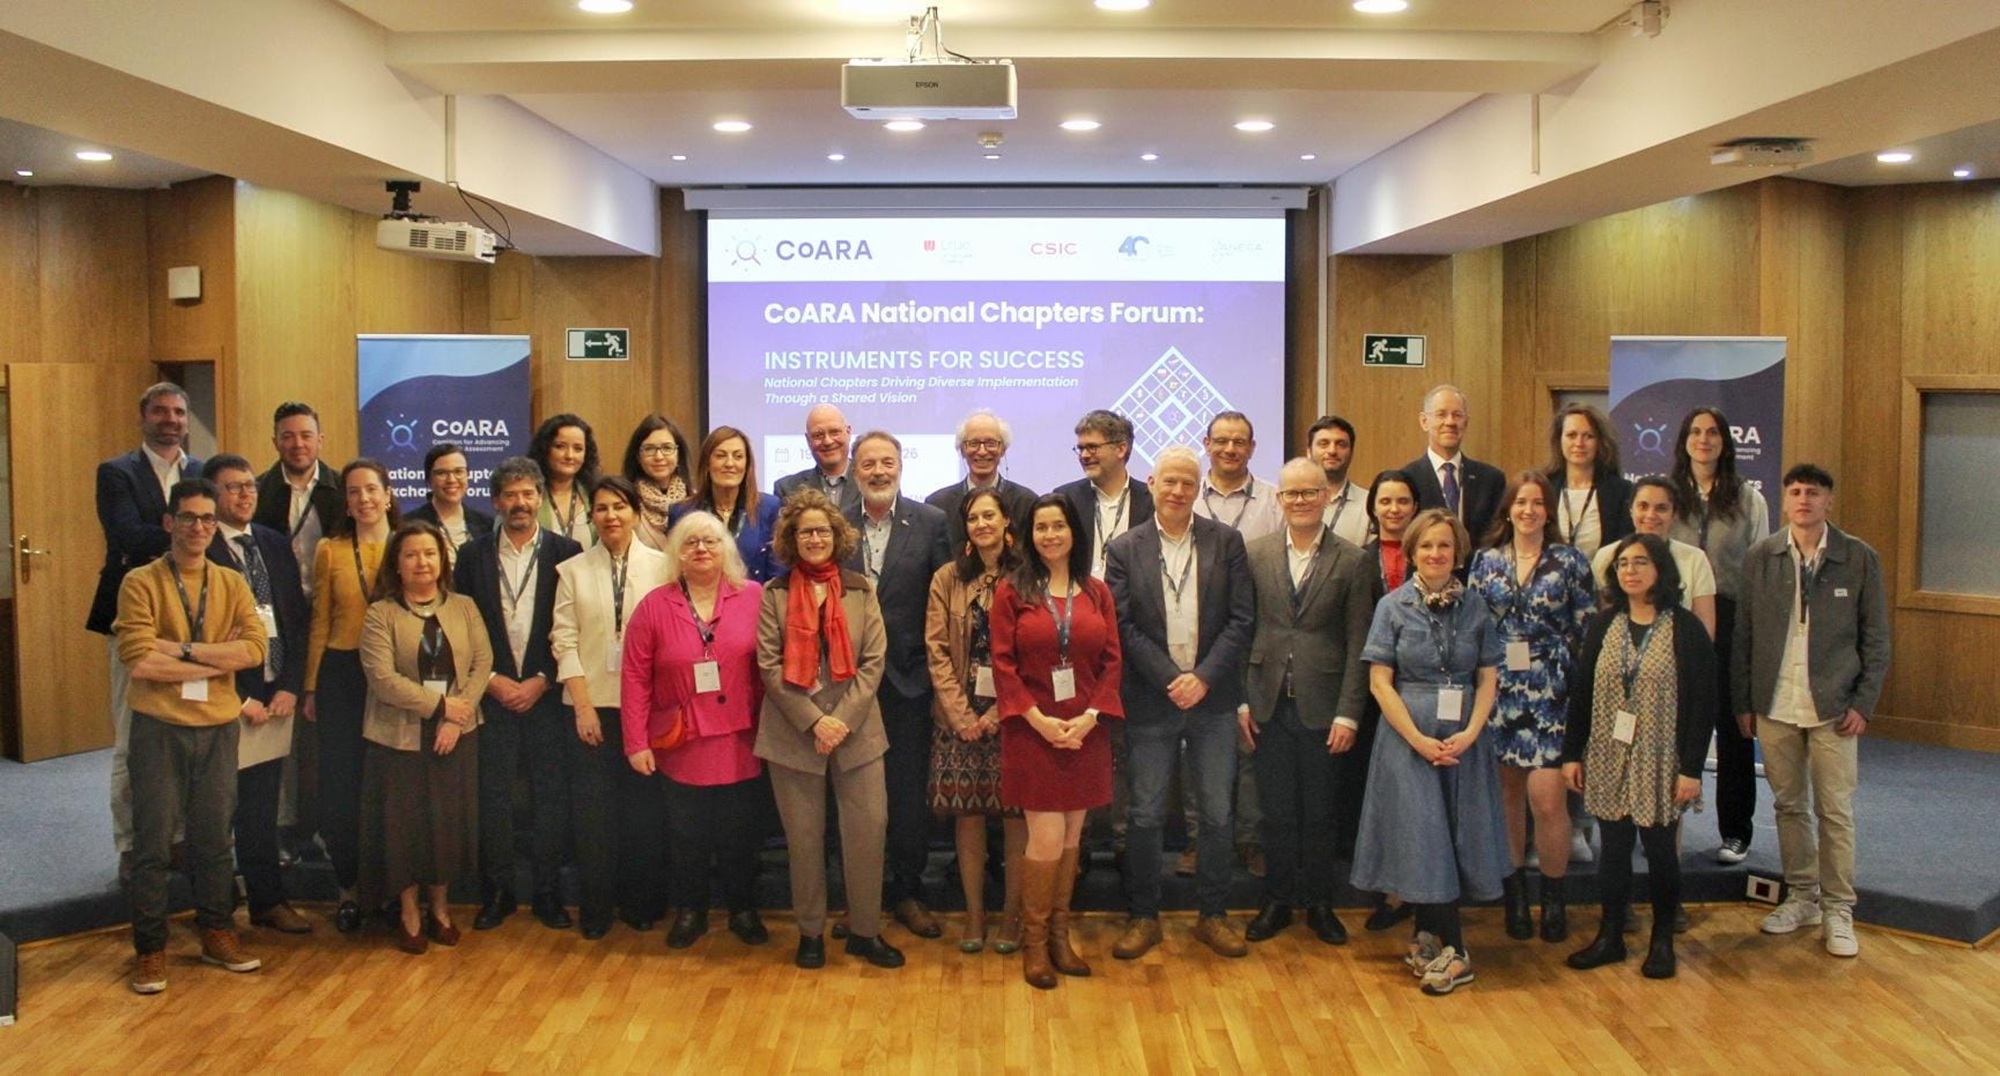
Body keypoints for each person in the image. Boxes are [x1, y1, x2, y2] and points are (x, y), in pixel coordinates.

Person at [114, 477, 268, 995]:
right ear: (169, 523)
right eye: (189, 518)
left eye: (207, 518)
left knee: (212, 840)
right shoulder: (140, 581)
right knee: (154, 842)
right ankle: (151, 948)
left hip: (218, 727)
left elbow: (253, 650)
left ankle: (217, 932)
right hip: (158, 728)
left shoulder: (230, 582)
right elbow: (138, 661)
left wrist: (178, 649)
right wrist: (208, 652)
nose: (199, 527)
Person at [1105, 446, 1257, 961]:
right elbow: (1121, 625)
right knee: (1145, 814)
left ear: (1198, 488)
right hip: (1152, 698)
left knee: (1217, 813)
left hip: (1212, 701)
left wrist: (1204, 679)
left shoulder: (1226, 542)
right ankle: (1143, 916)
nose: (1177, 491)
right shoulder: (1124, 548)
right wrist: (1173, 678)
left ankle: (1212, 915)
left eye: (1187, 483)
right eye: (1169, 481)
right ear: (1151, 483)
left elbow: (1241, 620)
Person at [1734, 464, 1889, 959]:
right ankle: (1802, 897)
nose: (1803, 499)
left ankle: (1840, 907)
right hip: (1775, 704)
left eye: (1813, 493)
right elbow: (1744, 637)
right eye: (1795, 492)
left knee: (1835, 811)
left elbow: (1876, 640)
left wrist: (1864, 702)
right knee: (1787, 805)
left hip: (1835, 708)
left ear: (1828, 502)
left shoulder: (1858, 558)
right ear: (1783, 501)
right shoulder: (1761, 556)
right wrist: (1744, 701)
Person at [1352, 508, 1508, 997]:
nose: (1436, 554)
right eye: (1426, 547)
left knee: (1454, 838)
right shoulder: (1392, 607)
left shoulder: (1477, 607)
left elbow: (1488, 676)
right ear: (1411, 553)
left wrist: (1471, 731)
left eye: (1444, 546)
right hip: (1408, 740)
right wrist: (1418, 739)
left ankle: (1438, 942)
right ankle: (1449, 946)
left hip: (1464, 740)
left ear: (1456, 551)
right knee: (1423, 838)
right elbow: (1380, 681)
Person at [753, 490, 901, 969]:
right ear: (791, 539)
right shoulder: (773, 595)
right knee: (804, 838)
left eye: (822, 530)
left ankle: (864, 931)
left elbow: (874, 660)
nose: (814, 538)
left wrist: (840, 720)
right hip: (793, 732)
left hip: (857, 731)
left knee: (867, 831)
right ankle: (811, 932)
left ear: (836, 536)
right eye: (804, 531)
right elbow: (769, 666)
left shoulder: (860, 589)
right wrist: (815, 720)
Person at [1561, 532, 1715, 979]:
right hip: (1609, 753)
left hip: (1662, 757)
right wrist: (1573, 754)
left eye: (1641, 563)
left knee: (1661, 849)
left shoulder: (1685, 629)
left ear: (1661, 570)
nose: (1630, 570)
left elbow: (1703, 704)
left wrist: (1691, 768)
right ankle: (1610, 936)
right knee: (1613, 848)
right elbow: (1583, 693)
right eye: (1624, 563)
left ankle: (1662, 940)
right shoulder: (1604, 624)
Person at [991, 494, 1125, 989]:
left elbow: (1112, 660)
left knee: (1072, 837)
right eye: (1041, 527)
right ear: (1029, 536)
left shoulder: (1096, 592)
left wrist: (1091, 716)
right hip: (1033, 731)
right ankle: (1034, 942)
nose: (1050, 535)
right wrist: (1038, 719)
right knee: (1045, 837)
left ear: (1075, 532)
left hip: (1085, 730)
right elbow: (1002, 665)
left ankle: (1060, 936)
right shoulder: (1012, 591)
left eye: (1059, 526)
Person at [1239, 458, 1373, 947]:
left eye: (1308, 493)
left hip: (1325, 705)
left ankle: (1319, 903)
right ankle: (1276, 901)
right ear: (1279, 500)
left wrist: (1348, 712)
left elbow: (1360, 642)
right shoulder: (1255, 554)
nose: (1299, 501)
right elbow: (1243, 630)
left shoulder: (1354, 560)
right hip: (1267, 701)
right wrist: (1241, 703)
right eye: (1291, 494)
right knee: (1274, 811)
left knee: (1319, 813)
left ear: (1324, 497)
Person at [622, 510, 770, 950]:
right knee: (686, 836)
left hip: (743, 739)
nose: (701, 550)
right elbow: (633, 677)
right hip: (681, 742)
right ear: (677, 554)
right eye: (690, 543)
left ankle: (743, 909)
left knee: (740, 835)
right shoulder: (654, 605)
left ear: (726, 549)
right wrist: (635, 741)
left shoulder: (756, 597)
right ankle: (691, 911)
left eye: (710, 541)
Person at [456, 457, 585, 932]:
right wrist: (491, 679)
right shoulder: (471, 557)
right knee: (494, 799)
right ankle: (498, 891)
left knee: (551, 796)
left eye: (528, 493)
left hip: (546, 697)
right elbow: (462, 628)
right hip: (490, 695)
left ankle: (548, 892)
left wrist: (542, 679)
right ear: (495, 502)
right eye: (510, 495)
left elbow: (573, 625)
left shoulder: (566, 551)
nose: (520, 503)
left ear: (539, 499)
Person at [1466, 471, 1595, 944]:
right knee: (1507, 799)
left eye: (1538, 503)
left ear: (1549, 510)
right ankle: (1514, 896)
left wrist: (1577, 693)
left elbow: (1585, 629)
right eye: (1521, 502)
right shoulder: (1485, 562)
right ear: (1508, 510)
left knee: (1548, 800)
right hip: (1499, 690)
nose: (1528, 510)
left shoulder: (1570, 561)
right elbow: (1474, 628)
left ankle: (1554, 899)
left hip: (1551, 691)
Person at [357, 522, 492, 955]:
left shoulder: (465, 606)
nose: (422, 562)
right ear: (397, 563)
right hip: (399, 738)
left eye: (430, 553)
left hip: (458, 732)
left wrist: (456, 715)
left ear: (442, 560)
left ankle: (441, 907)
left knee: (446, 826)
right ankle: (409, 911)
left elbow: (482, 662)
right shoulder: (381, 613)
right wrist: (438, 708)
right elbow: (382, 678)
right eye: (411, 554)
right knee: (404, 829)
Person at [551, 476, 673, 938]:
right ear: (592, 517)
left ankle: (642, 903)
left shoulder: (664, 567)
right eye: (601, 509)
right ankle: (597, 908)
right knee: (593, 815)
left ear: (636, 513)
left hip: (647, 711)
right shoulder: (572, 570)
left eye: (619, 506)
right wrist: (581, 706)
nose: (611, 516)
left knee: (643, 812)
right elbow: (563, 640)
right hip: (591, 708)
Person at [843, 431, 953, 939]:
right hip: (845, 686)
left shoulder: (930, 522)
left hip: (909, 682)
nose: (879, 471)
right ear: (854, 468)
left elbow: (942, 607)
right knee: (850, 796)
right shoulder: (833, 525)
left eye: (887, 461)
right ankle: (856, 897)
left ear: (901, 466)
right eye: (869, 463)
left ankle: (908, 891)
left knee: (906, 794)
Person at [91, 382, 201, 872]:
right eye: (161, 411)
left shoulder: (200, 471)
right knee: (133, 732)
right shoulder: (116, 472)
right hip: (134, 615)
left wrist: (168, 525)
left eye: (179, 412)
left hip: (193, 617)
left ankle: (176, 837)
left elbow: (207, 534)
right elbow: (124, 534)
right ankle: (131, 844)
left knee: (184, 729)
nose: (171, 420)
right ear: (144, 416)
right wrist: (184, 529)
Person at [201, 454, 313, 935]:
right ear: (212, 496)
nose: (245, 495)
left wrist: (288, 685)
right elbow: (199, 641)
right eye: (232, 488)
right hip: (225, 700)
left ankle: (267, 901)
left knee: (261, 808)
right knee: (211, 810)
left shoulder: (272, 543)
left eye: (249, 486)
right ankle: (214, 912)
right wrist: (238, 697)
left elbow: (294, 620)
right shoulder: (201, 551)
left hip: (274, 697)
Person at [924, 488, 1027, 954]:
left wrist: (997, 712)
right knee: (969, 818)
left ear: (1007, 522)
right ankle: (973, 915)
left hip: (1015, 714)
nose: (981, 523)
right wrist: (962, 713)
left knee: (1015, 818)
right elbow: (937, 649)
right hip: (958, 718)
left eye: (990, 516)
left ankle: (1012, 917)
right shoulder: (947, 578)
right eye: (973, 517)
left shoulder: (1029, 578)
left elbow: (1034, 653)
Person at [1669, 406, 1771, 864]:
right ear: (1684, 441)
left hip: (1729, 617)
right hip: (1676, 615)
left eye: (1712, 433)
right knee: (1669, 723)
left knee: (1734, 730)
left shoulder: (1749, 499)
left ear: (1725, 442)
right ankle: (1660, 824)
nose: (1703, 440)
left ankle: (1736, 832)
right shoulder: (1668, 495)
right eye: (1695, 431)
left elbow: (1760, 569)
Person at [304, 458, 400, 933]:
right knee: (342, 786)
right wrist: (310, 684)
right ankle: (347, 890)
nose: (363, 499)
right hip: (342, 675)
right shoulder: (330, 549)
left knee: (388, 785)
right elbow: (321, 618)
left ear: (388, 494)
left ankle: (389, 893)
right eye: (354, 492)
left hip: (396, 675)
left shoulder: (411, 545)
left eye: (371, 490)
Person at [1349, 469, 1419, 933]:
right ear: (1372, 508)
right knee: (1373, 792)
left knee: (1415, 794)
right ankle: (1382, 885)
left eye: (1402, 501)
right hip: (1369, 689)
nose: (1393, 510)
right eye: (1385, 501)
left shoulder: (1435, 558)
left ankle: (1412, 889)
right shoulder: (1357, 560)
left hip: (1421, 693)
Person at [1590, 477, 1718, 639]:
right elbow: (1601, 622)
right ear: (1631, 510)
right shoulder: (1606, 556)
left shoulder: (1695, 559)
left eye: (1661, 508)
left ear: (1674, 514)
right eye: (1642, 506)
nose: (1651, 515)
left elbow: (1705, 630)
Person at [253, 401, 341, 597]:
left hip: (332, 602)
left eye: (306, 436)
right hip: (279, 604)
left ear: (320, 440)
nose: (298, 444)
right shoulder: (257, 492)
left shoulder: (342, 488)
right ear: (275, 442)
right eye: (288, 437)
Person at [1053, 409, 1154, 579]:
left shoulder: (1151, 499)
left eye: (1092, 447)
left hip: (1131, 602)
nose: (1084, 455)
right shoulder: (1065, 498)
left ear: (1121, 449)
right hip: (1079, 601)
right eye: (1080, 448)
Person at [672, 425, 779, 582]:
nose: (730, 464)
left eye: (738, 456)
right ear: (707, 464)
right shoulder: (682, 511)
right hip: (698, 602)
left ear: (747, 465)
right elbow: (676, 569)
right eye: (721, 456)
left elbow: (777, 574)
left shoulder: (769, 508)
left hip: (755, 603)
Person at [1400, 384, 1506, 542]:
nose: (1450, 422)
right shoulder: (1406, 479)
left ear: (1466, 422)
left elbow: (1498, 535)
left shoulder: (1491, 480)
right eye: (1441, 414)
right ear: (1424, 421)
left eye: (1457, 415)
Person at [924, 409, 1037, 550]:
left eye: (991, 443)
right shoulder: (937, 505)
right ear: (962, 450)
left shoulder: (1026, 502)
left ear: (1003, 450)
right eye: (973, 443)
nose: (982, 451)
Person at [1544, 403, 1633, 559]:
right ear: (1559, 440)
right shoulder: (1543, 487)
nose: (1579, 443)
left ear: (1600, 442)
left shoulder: (1622, 492)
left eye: (1589, 436)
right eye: (1572, 435)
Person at [1195, 410, 1281, 544]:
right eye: (1221, 441)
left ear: (1251, 448)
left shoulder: (1276, 500)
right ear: (1207, 445)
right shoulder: (1188, 497)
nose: (1230, 450)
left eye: (1239, 442)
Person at [404, 442, 494, 556]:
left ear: (468, 475)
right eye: (441, 473)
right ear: (428, 480)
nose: (451, 479)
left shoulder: (487, 525)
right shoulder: (409, 524)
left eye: (458, 471)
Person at [619, 413, 693, 551]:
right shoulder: (626, 502)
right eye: (649, 449)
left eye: (667, 448)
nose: (659, 457)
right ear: (638, 457)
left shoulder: (696, 500)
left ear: (679, 454)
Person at [773, 402, 861, 514]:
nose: (828, 441)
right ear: (808, 440)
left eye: (834, 432)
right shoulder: (787, 489)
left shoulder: (870, 481)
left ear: (848, 432)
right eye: (818, 435)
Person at [530, 413, 600, 547]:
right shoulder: (526, 495)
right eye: (560, 446)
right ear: (545, 449)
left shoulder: (596, 495)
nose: (570, 455)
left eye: (578, 449)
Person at [1307, 415, 1369, 548]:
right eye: (1323, 444)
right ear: (1309, 452)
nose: (1332, 451)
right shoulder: (1288, 501)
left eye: (1341, 444)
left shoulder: (1368, 504)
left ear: (1351, 452)